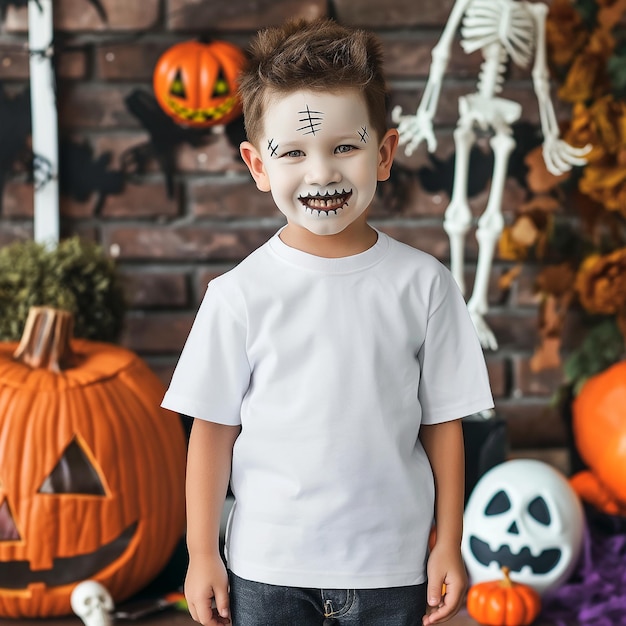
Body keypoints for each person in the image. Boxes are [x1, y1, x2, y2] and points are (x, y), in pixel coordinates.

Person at [162, 17, 494, 626]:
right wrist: (201, 553)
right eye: (292, 153)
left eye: (345, 146)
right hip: (267, 569)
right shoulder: (237, 295)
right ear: (258, 165)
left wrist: (448, 541)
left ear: (384, 152)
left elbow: (444, 422)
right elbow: (211, 432)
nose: (321, 173)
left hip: (393, 568)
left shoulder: (425, 286)